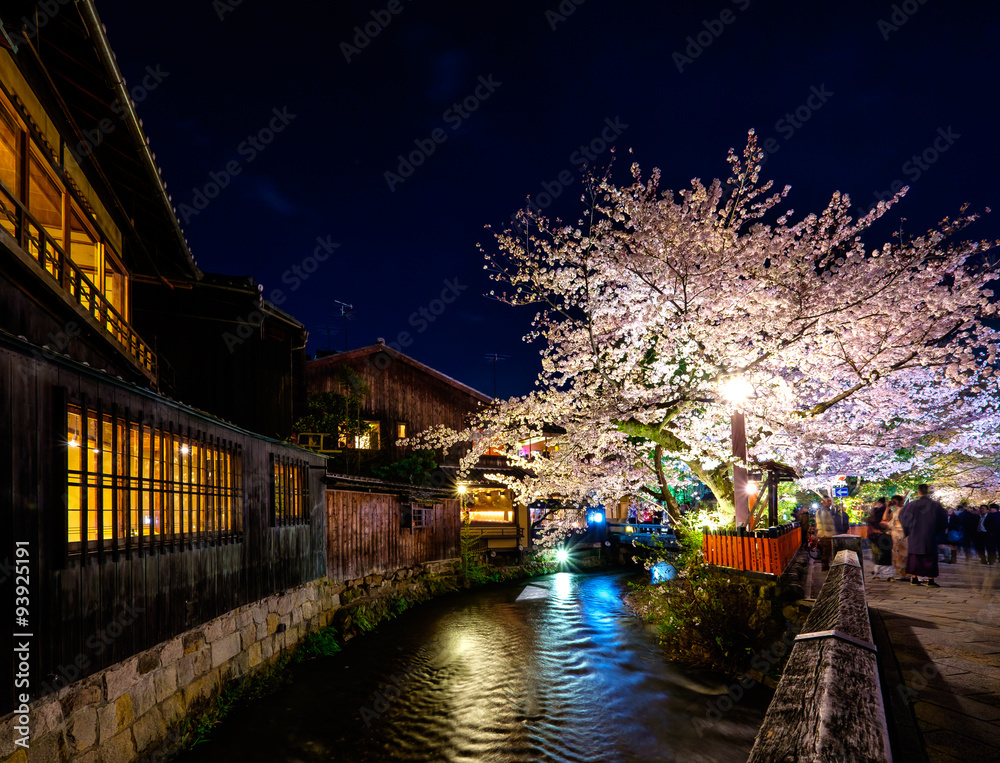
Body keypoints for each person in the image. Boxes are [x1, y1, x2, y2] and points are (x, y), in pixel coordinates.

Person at [899, 484, 948, 587]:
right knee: (930, 557)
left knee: (914, 557)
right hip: (930, 535)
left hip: (915, 535)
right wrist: (938, 531)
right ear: (928, 491)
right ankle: (930, 580)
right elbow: (943, 520)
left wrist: (907, 531)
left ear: (918, 492)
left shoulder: (911, 505)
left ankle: (914, 578)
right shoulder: (935, 505)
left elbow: (903, 518)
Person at [887, 495, 908, 581]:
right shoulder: (894, 511)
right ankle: (900, 573)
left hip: (903, 533)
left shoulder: (905, 510)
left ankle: (905, 573)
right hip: (895, 534)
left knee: (904, 554)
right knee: (897, 554)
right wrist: (887, 507)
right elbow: (886, 519)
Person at [816, 497, 835, 571]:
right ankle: (825, 567)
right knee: (826, 552)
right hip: (826, 534)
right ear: (823, 502)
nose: (830, 503)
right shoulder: (824, 510)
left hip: (825, 534)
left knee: (826, 552)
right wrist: (829, 529)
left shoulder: (825, 510)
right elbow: (824, 522)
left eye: (830, 501)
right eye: (828, 501)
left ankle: (825, 566)